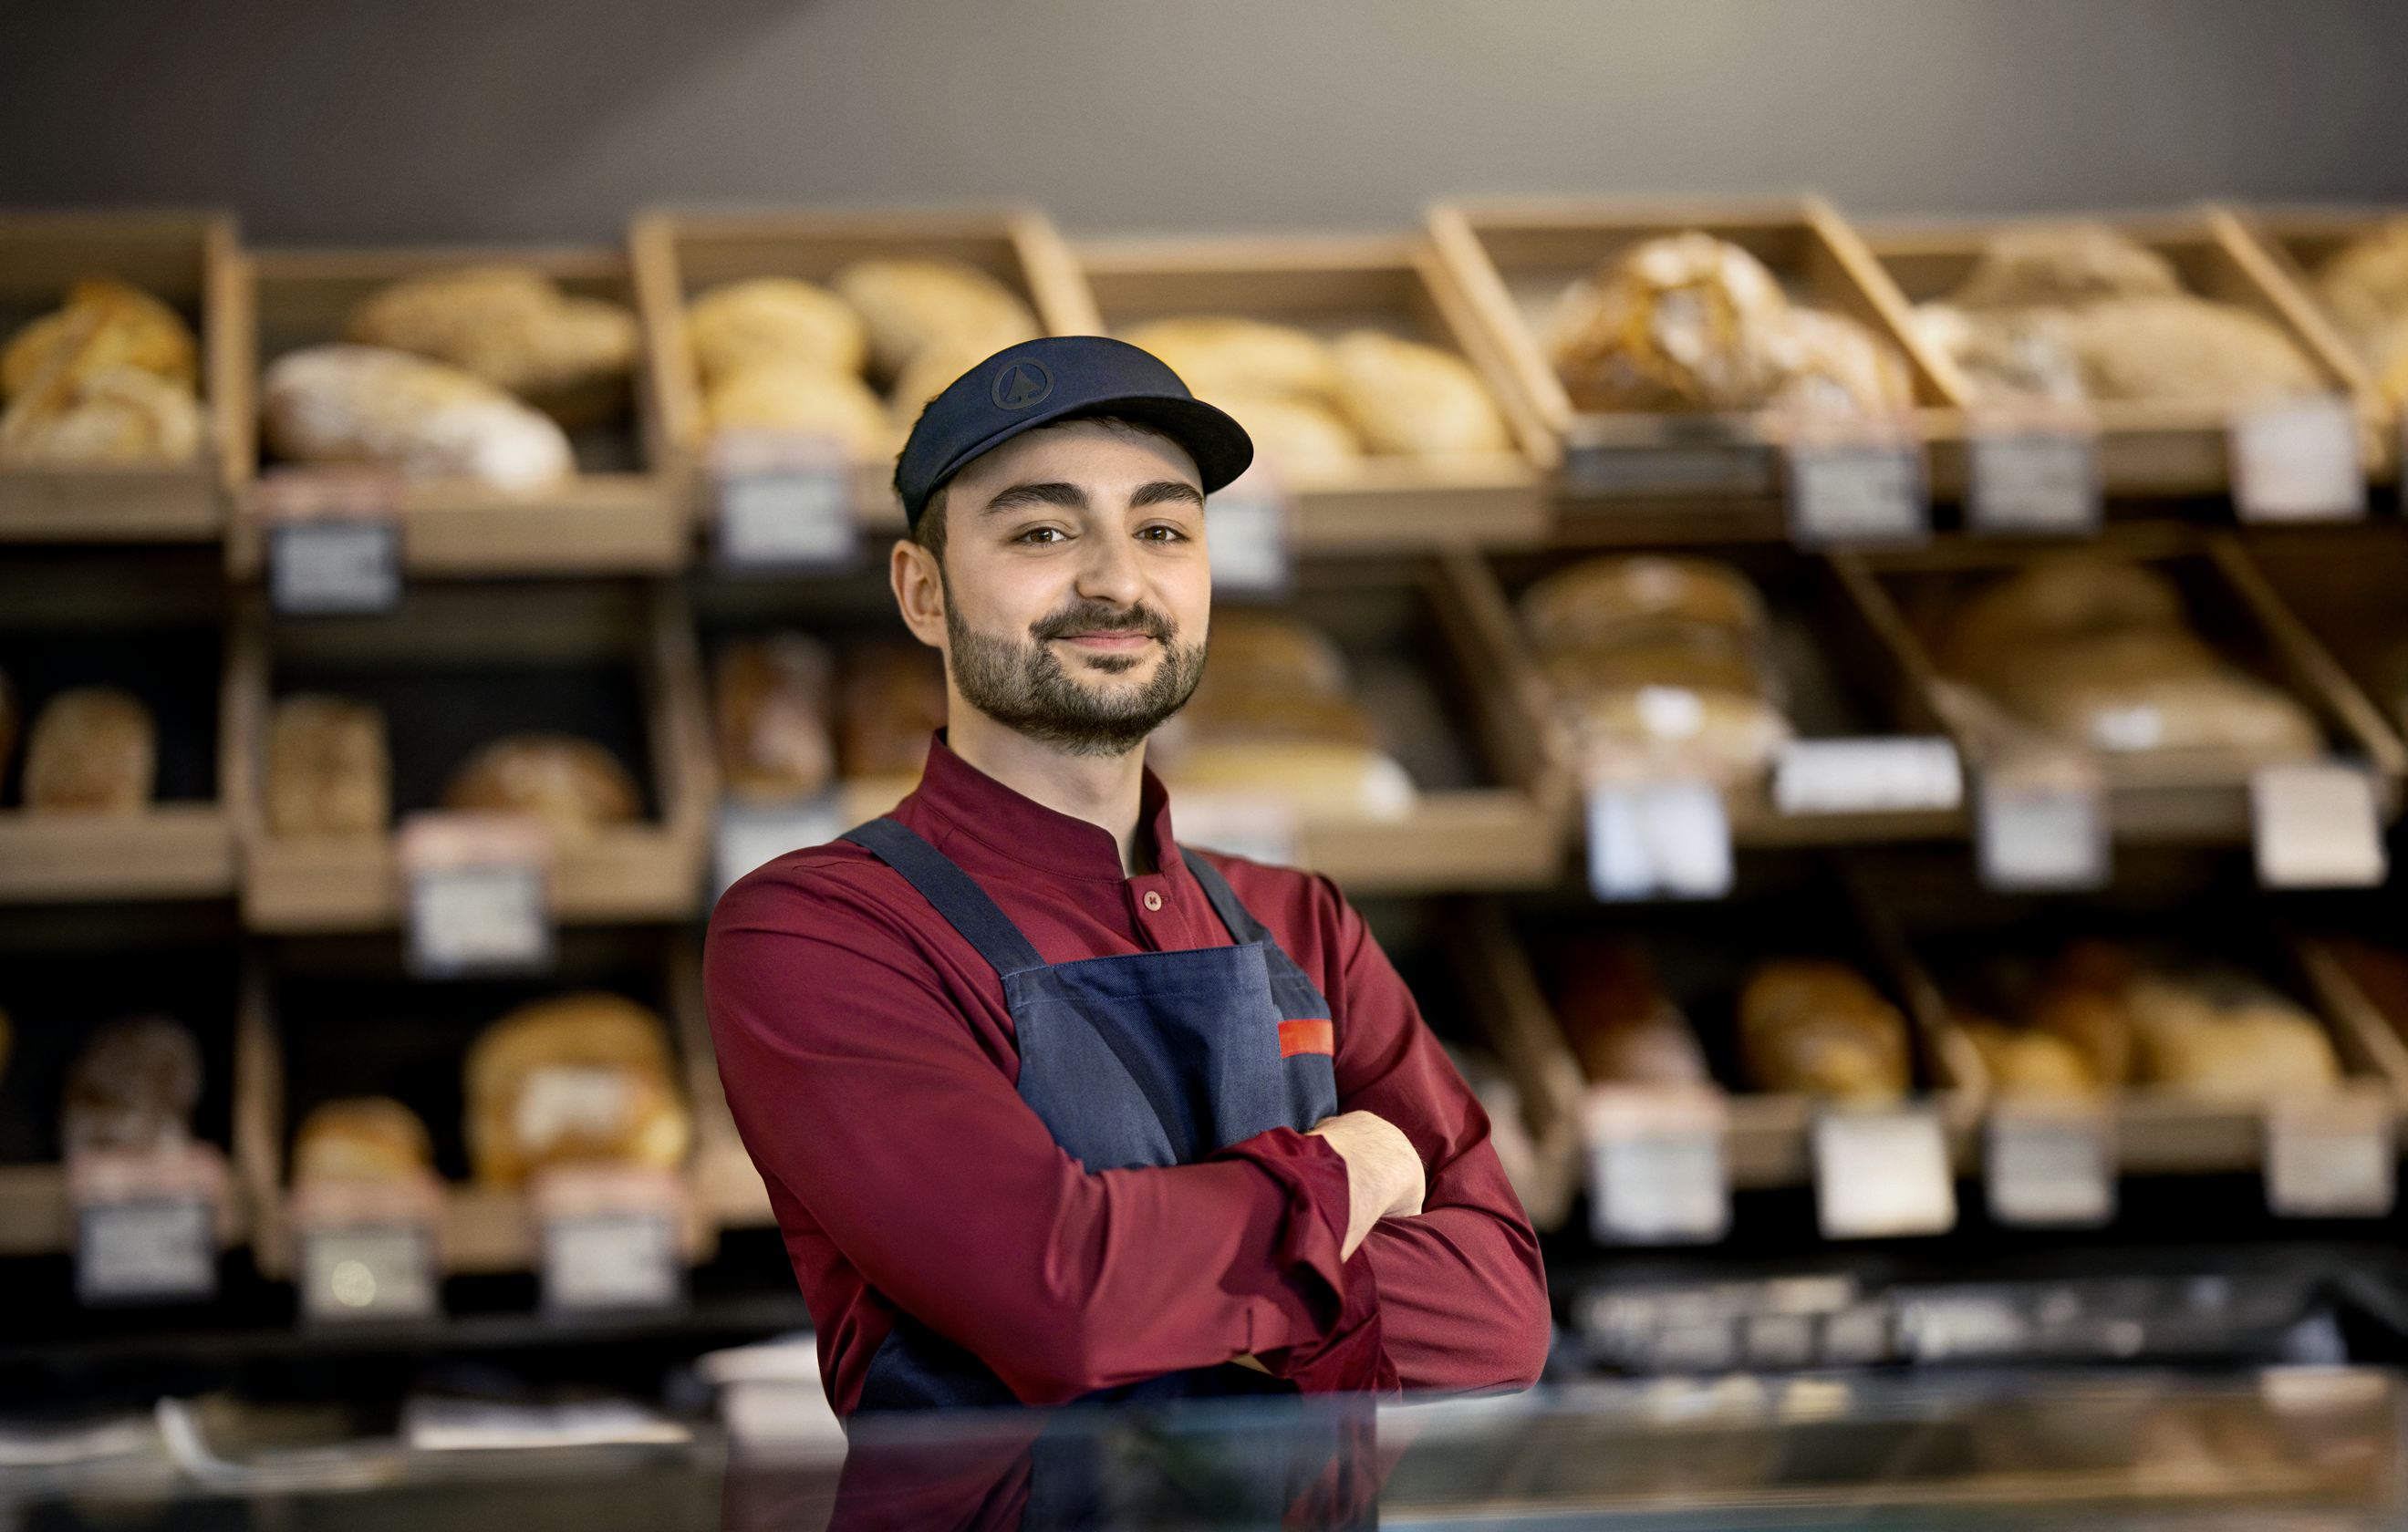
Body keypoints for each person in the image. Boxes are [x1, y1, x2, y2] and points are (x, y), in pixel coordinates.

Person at [705, 336, 1550, 1417]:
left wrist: (1172, 1281)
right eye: (1044, 531)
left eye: (1162, 529)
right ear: (922, 594)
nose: (1116, 579)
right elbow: (1061, 1300)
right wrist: (1357, 1173)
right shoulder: (820, 933)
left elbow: (1503, 1316)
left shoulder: (1306, 922)